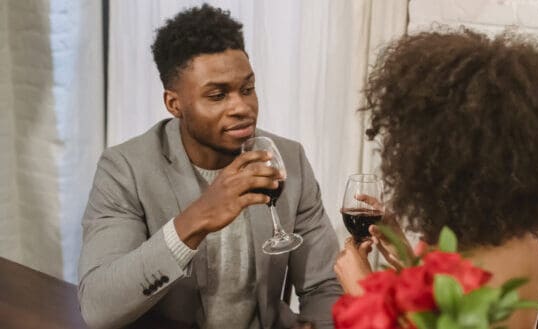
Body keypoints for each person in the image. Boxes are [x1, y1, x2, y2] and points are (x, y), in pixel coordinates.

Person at [78, 5, 341, 329]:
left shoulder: (289, 159)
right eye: (217, 96)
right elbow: (98, 308)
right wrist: (196, 219)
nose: (242, 107)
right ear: (174, 104)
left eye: (247, 89)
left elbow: (324, 286)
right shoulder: (125, 170)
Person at [334, 29, 538, 328]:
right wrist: (403, 251)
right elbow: (441, 306)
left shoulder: (494, 253)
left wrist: (361, 290)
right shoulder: (507, 235)